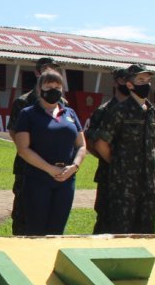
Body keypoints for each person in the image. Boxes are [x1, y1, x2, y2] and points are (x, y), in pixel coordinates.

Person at [13, 71, 86, 235]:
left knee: (57, 230)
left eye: (57, 87)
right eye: (49, 86)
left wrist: (74, 166)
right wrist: (49, 169)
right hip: (38, 179)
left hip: (66, 180)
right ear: (39, 89)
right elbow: (23, 149)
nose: (53, 90)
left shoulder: (70, 114)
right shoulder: (28, 114)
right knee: (36, 230)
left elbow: (81, 145)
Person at [93, 64, 155, 234]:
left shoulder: (152, 113)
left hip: (148, 183)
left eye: (148, 80)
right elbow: (101, 143)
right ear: (130, 85)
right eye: (140, 80)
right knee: (121, 230)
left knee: (146, 231)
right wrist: (118, 165)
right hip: (124, 184)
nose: (146, 84)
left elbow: (153, 144)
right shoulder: (119, 111)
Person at [8, 57, 59, 234]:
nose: (51, 73)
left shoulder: (63, 105)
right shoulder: (23, 102)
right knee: (23, 213)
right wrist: (28, 152)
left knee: (50, 214)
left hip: (53, 168)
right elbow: (14, 131)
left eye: (54, 69)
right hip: (26, 167)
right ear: (37, 73)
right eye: (46, 69)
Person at [84, 67, 130, 234]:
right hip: (109, 176)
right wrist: (111, 160)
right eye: (124, 79)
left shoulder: (143, 110)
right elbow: (90, 141)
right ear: (116, 82)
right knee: (106, 219)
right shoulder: (104, 110)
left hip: (136, 179)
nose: (127, 83)